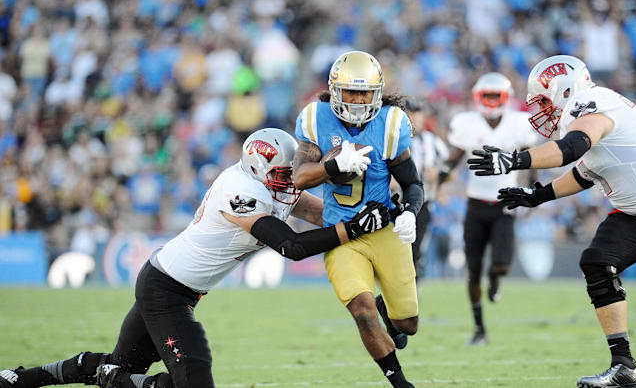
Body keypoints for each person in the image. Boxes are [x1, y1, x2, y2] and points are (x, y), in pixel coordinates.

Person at [0, 128, 392, 388]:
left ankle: (19, 379)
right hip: (164, 290)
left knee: (121, 364)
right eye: (282, 174)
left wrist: (377, 212)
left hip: (173, 284)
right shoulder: (239, 192)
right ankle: (111, 377)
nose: (290, 181)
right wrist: (355, 229)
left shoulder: (270, 178)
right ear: (259, 170)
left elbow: (319, 212)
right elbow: (292, 247)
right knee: (190, 381)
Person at [467, 55, 636, 388]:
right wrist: (537, 196)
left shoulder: (591, 102)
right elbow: (586, 172)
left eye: (543, 100)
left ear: (564, 88)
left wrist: (515, 159)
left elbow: (573, 148)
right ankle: (624, 367)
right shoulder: (587, 110)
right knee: (598, 261)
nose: (540, 110)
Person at [292, 51, 423, 388]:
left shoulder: (391, 123)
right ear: (334, 90)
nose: (356, 99)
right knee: (362, 311)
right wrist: (331, 167)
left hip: (384, 230)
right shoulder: (315, 118)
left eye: (364, 93)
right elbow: (298, 178)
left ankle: (390, 316)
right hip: (341, 235)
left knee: (408, 324)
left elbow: (412, 184)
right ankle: (400, 383)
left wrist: (410, 211)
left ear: (376, 94)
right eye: (350, 91)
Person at [440, 72, 537, 346]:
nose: (492, 102)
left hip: (506, 203)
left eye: (496, 96)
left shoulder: (518, 123)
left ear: (505, 98)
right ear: (478, 98)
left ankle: (495, 279)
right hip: (475, 204)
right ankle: (479, 328)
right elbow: (454, 159)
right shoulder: (466, 123)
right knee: (472, 271)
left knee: (502, 265)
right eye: (488, 96)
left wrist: (532, 191)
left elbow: (533, 159)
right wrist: (441, 178)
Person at [403, 98, 448, 282]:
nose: (414, 118)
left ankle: (412, 294)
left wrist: (437, 176)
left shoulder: (432, 142)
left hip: (422, 204)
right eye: (411, 113)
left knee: (416, 251)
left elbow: (449, 170)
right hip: (395, 203)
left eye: (417, 113)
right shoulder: (395, 140)